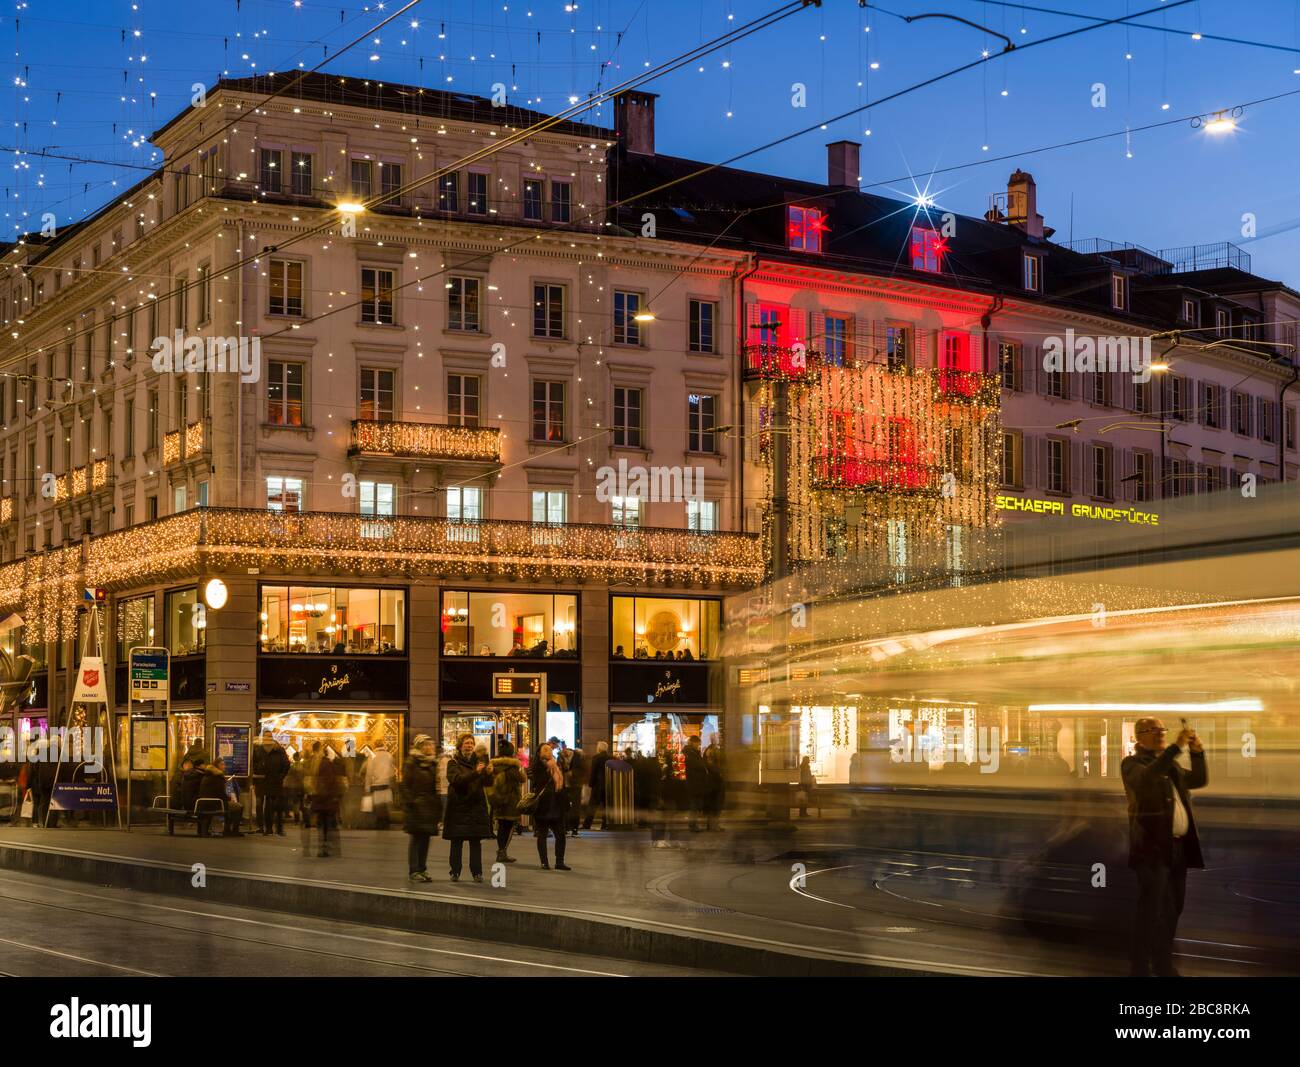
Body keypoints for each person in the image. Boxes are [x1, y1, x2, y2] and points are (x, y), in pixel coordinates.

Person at [1122, 718, 1208, 977]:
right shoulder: (1133, 765)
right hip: (1152, 851)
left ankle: (1162, 966)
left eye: (1162, 731)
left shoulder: (1169, 766)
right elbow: (1149, 778)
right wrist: (1176, 746)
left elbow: (1199, 780)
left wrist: (1197, 752)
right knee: (1150, 911)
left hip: (1177, 850)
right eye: (1155, 731)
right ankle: (1139, 968)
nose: (1160, 734)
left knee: (1172, 910)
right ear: (1140, 737)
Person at [442, 734, 493, 882]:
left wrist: (489, 774)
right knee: (457, 842)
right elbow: (456, 780)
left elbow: (487, 783)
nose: (469, 746)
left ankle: (477, 872)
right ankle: (455, 871)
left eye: (471, 743)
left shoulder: (479, 762)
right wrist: (475, 773)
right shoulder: (453, 763)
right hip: (459, 807)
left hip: (475, 807)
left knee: (475, 842)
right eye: (466, 743)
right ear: (460, 746)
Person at [401, 735, 441, 882]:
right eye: (427, 745)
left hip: (429, 807)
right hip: (416, 808)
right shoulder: (412, 762)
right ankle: (414, 870)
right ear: (420, 747)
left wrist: (437, 808)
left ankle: (422, 868)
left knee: (425, 839)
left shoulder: (432, 764)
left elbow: (434, 788)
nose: (430, 747)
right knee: (416, 839)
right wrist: (412, 803)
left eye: (431, 744)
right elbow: (405, 785)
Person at [530, 743, 571, 870]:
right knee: (542, 835)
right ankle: (544, 862)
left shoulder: (557, 764)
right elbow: (538, 783)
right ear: (539, 753)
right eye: (545, 749)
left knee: (561, 835)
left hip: (557, 805)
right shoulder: (537, 766)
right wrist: (548, 768)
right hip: (543, 805)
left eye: (549, 749)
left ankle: (560, 861)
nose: (549, 751)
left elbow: (562, 785)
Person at [487, 739, 526, 864]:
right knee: (509, 827)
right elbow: (522, 779)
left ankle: (501, 851)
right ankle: (502, 852)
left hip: (498, 800)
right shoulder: (513, 766)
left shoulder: (494, 765)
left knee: (501, 826)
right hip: (510, 801)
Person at [309, 742, 347, 857]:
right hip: (326, 799)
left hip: (319, 798)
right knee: (328, 824)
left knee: (323, 825)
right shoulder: (325, 763)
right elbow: (330, 780)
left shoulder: (313, 763)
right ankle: (328, 848)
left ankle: (323, 848)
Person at [252, 731, 290, 836]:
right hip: (261, 781)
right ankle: (261, 827)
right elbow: (253, 764)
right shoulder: (258, 750)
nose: (268, 739)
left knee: (272, 806)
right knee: (260, 805)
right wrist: (257, 774)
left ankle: (271, 828)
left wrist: (280, 777)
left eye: (270, 737)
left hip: (274, 782)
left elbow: (286, 764)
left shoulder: (279, 750)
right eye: (266, 737)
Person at [196, 757, 244, 837]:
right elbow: (220, 794)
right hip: (215, 803)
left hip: (204, 803)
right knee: (239, 807)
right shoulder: (218, 776)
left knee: (231, 806)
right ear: (217, 766)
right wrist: (229, 799)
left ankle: (228, 829)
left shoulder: (208, 774)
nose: (224, 766)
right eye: (222, 764)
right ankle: (232, 830)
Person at [364, 739, 396, 829]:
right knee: (385, 805)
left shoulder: (372, 756)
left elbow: (369, 772)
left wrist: (367, 786)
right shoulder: (389, 755)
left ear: (375, 746)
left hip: (376, 784)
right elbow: (392, 771)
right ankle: (386, 823)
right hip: (386, 784)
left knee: (378, 805)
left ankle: (380, 823)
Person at [684, 735, 709, 832]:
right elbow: (699, 765)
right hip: (694, 783)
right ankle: (693, 825)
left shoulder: (693, 753)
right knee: (694, 805)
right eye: (698, 743)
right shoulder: (691, 754)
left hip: (696, 783)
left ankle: (694, 824)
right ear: (693, 743)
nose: (699, 745)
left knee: (696, 805)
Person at [583, 741, 610, 830]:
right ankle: (605, 824)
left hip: (597, 786)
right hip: (607, 786)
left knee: (592, 806)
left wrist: (591, 784)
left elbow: (593, 772)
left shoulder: (596, 758)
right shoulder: (610, 758)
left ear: (599, 748)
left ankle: (587, 825)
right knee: (606, 806)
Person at [565, 746, 588, 837]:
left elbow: (582, 771)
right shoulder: (568, 758)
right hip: (571, 785)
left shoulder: (577, 758)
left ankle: (573, 828)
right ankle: (571, 828)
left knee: (574, 807)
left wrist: (572, 774)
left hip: (574, 785)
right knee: (570, 807)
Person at [704, 742, 726, 831]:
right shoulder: (712, 766)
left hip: (713, 786)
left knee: (714, 807)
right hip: (714, 787)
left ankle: (712, 825)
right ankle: (714, 826)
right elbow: (716, 773)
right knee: (714, 807)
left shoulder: (709, 763)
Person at [283, 750, 307, 827]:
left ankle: (297, 820)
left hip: (294, 787)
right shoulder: (303, 766)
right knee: (302, 803)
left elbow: (288, 777)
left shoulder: (292, 767)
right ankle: (304, 819)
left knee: (296, 804)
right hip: (302, 787)